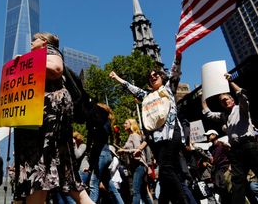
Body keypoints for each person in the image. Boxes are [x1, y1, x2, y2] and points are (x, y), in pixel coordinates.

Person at [13, 32, 93, 204]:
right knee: (65, 173)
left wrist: (27, 62)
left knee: (38, 165)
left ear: (43, 41)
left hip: (45, 117)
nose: (31, 42)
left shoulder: (49, 50)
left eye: (34, 40)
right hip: (42, 116)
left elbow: (56, 68)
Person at [110, 53, 188, 204]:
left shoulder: (168, 89)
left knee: (166, 168)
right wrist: (117, 78)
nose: (152, 77)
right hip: (156, 140)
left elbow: (175, 72)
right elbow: (130, 88)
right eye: (150, 76)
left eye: (156, 74)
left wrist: (178, 55)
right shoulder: (146, 96)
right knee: (165, 174)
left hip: (171, 135)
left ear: (162, 77)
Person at [201, 73, 258, 204]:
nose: (225, 101)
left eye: (227, 99)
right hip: (236, 151)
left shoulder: (241, 108)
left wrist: (231, 81)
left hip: (249, 146)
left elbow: (242, 95)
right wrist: (204, 94)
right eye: (222, 101)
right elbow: (208, 113)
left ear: (232, 100)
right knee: (237, 181)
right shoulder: (224, 116)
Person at [86, 103, 124, 204]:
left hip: (101, 154)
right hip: (106, 154)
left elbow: (95, 140)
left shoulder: (101, 124)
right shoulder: (106, 123)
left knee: (94, 183)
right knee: (109, 184)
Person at [118, 118, 153, 204]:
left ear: (131, 125)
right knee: (144, 192)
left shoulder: (134, 135)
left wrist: (124, 150)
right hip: (136, 166)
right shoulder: (130, 136)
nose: (124, 125)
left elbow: (138, 150)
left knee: (135, 191)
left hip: (139, 166)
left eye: (126, 123)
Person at [203, 129, 231, 204]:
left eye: (209, 135)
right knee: (221, 191)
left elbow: (231, 155)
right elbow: (212, 161)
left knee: (227, 190)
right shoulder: (210, 148)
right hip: (217, 171)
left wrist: (230, 167)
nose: (207, 137)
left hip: (224, 169)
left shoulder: (222, 144)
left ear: (214, 135)